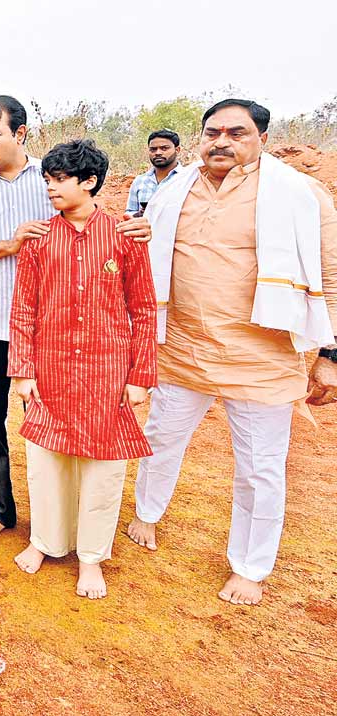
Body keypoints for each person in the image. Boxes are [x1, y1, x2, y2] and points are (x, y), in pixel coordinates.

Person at [128, 99, 337, 606]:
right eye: (211, 131)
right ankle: (145, 515)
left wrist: (331, 356)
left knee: (261, 466)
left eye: (236, 132)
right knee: (159, 439)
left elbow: (330, 274)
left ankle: (250, 565)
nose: (221, 141)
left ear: (262, 137)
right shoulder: (173, 190)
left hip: (260, 355)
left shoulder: (301, 194)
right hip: (182, 346)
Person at [0, 95, 152, 543]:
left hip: (50, 332)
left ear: (20, 133)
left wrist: (138, 228)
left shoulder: (52, 177)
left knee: (49, 425)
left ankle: (52, 524)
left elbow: (91, 216)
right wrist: (9, 245)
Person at [8, 140, 158, 600]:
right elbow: (23, 308)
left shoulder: (124, 236)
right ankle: (45, 542)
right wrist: (23, 369)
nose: (50, 188)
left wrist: (138, 377)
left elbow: (146, 309)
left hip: (107, 369)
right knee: (46, 460)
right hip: (49, 366)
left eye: (59, 180)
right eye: (47, 180)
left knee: (103, 466)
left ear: (89, 182)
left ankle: (92, 557)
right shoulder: (39, 239)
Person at [126, 129, 185, 216]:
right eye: (153, 149)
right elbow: (130, 212)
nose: (158, 153)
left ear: (177, 150)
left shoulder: (187, 178)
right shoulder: (140, 181)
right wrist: (139, 215)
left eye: (164, 148)